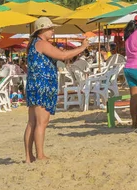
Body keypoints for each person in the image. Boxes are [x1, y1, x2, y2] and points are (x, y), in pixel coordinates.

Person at [22, 17, 89, 163]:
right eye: (51, 28)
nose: (53, 31)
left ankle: (29, 157)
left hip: (35, 85)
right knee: (41, 122)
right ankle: (39, 155)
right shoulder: (42, 43)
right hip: (43, 85)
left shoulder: (34, 44)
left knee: (32, 122)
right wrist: (82, 47)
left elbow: (59, 55)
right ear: (42, 30)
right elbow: (63, 56)